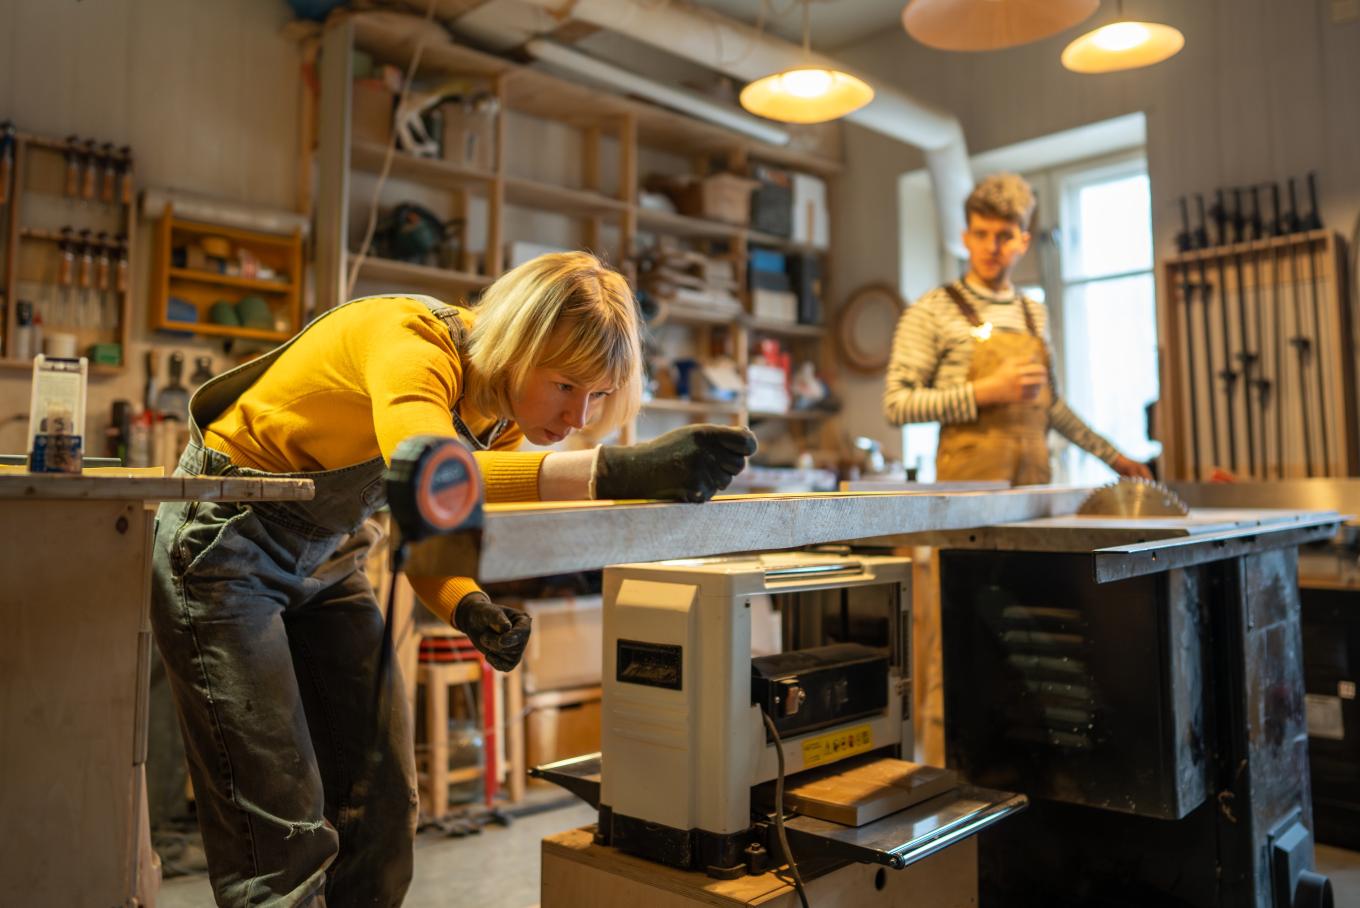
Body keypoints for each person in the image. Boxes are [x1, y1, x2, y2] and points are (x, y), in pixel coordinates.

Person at [150, 251, 757, 905]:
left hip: (327, 559)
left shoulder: (496, 418)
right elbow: (426, 468)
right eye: (564, 385)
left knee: (378, 810)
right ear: (518, 345)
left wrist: (468, 605)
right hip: (224, 551)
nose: (579, 418)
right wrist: (611, 471)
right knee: (279, 831)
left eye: (599, 395)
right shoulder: (412, 343)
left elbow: (439, 523)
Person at [883, 172, 1153, 484]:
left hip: (1032, 489)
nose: (991, 247)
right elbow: (897, 405)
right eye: (981, 234)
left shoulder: (1034, 314)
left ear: (1023, 242)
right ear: (965, 237)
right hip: (966, 496)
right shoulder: (930, 310)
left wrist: (1112, 457)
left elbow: (1049, 404)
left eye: (1004, 236)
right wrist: (987, 392)